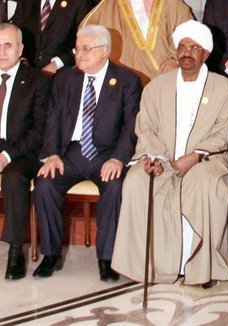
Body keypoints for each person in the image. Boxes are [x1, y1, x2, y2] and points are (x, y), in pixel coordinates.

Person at [112, 20, 228, 288]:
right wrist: (154, 158)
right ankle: (150, 266)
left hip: (207, 159)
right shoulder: (157, 86)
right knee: (136, 181)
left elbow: (223, 132)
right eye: (182, 47)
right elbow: (145, 128)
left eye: (194, 48)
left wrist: (195, 156)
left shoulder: (221, 87)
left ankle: (201, 267)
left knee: (200, 183)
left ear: (206, 54)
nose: (186, 53)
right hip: (163, 158)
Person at [33, 24, 142, 282]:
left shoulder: (127, 81)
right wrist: (51, 154)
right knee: (44, 184)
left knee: (114, 187)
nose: (78, 54)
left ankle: (107, 258)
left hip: (107, 154)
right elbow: (52, 120)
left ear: (104, 51)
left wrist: (118, 158)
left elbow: (132, 126)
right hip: (69, 154)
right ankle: (50, 256)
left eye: (85, 49)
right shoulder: (65, 79)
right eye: (77, 48)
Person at [0, 23, 51, 280]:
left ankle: (15, 252)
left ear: (20, 49)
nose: (1, 51)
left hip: (23, 152)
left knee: (13, 177)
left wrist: (6, 156)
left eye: (7, 45)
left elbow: (39, 130)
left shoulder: (38, 81)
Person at [80, 0, 193, 84]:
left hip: (164, 81)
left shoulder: (170, 3)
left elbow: (193, 36)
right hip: (125, 83)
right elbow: (85, 32)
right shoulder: (110, 5)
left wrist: (177, 60)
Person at [11, 0, 92, 75]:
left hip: (60, 72)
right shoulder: (25, 2)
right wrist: (23, 59)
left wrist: (56, 64)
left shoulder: (79, 2)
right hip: (26, 72)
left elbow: (84, 40)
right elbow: (14, 33)